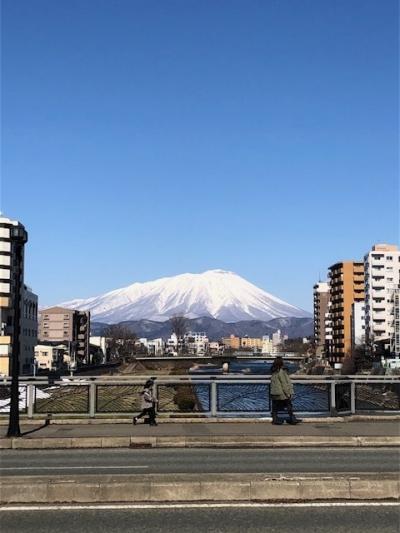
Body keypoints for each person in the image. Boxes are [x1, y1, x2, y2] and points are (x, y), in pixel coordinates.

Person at [270, 356, 301, 425]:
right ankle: (292, 419)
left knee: (275, 407)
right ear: (281, 363)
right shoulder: (281, 371)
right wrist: (288, 393)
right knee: (289, 405)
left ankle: (275, 420)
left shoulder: (274, 371)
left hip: (274, 392)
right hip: (281, 393)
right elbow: (284, 383)